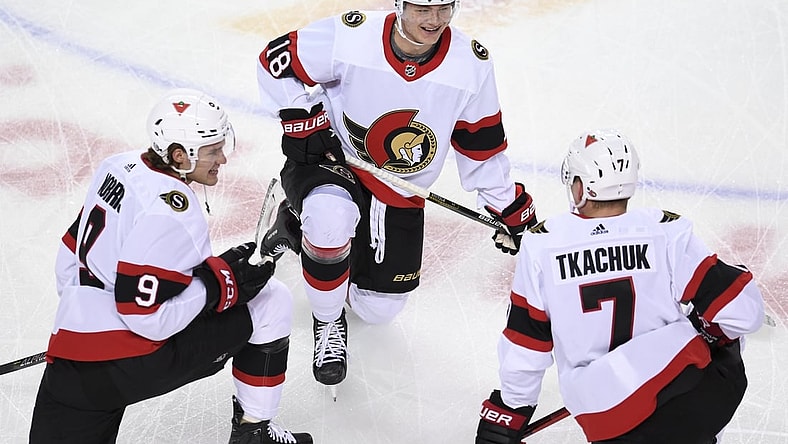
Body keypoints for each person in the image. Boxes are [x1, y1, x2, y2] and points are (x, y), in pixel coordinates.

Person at [255, 0, 538, 388]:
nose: (434, 20)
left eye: (444, 9)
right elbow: (275, 61)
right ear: (400, 5)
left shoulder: (470, 66)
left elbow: (482, 148)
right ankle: (327, 320)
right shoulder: (352, 36)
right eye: (422, 9)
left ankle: (294, 232)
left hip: (400, 192)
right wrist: (300, 116)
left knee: (377, 309)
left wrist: (508, 207)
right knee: (330, 220)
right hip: (333, 161)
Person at [29, 88, 312, 444]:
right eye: (213, 150)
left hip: (70, 369)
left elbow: (69, 260)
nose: (222, 158)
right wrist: (216, 286)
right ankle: (253, 434)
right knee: (271, 300)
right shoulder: (175, 212)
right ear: (180, 156)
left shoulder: (116, 166)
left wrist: (88, 326)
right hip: (133, 362)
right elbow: (146, 319)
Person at [475, 129, 765, 444]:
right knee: (723, 333)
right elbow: (744, 314)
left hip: (610, 419)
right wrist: (706, 329)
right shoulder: (665, 231)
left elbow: (526, 346)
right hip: (695, 398)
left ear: (581, 188)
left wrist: (509, 412)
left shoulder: (542, 246)